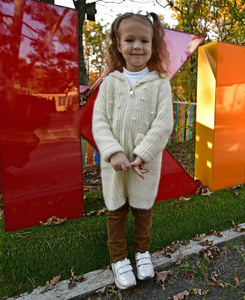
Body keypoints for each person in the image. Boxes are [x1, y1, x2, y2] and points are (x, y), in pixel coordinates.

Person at [92, 12, 173, 290]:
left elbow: (164, 124)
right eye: (129, 40)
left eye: (144, 40)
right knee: (116, 210)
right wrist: (113, 152)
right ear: (118, 44)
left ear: (153, 46)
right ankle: (118, 258)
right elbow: (99, 121)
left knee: (142, 209)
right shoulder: (110, 82)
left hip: (144, 165)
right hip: (114, 165)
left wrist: (143, 153)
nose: (137, 46)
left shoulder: (161, 82)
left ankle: (141, 252)